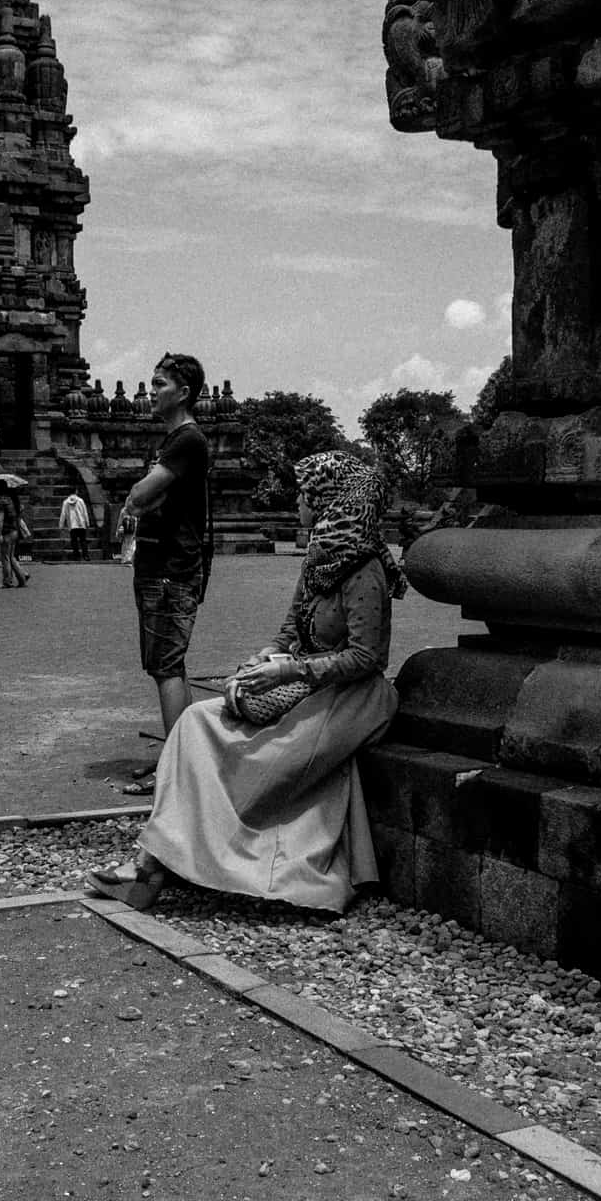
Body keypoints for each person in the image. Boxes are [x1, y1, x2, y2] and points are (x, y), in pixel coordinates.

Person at [89, 450, 407, 913]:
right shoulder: (320, 558)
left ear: (329, 501)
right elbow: (290, 629)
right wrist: (261, 660)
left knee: (260, 760)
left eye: (306, 493)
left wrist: (290, 670)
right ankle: (158, 857)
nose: (298, 500)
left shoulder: (364, 569)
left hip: (350, 697)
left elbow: (366, 656)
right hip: (305, 684)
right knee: (194, 723)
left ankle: (150, 868)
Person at [117, 352, 213, 793]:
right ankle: (179, 760)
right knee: (164, 666)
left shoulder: (186, 441)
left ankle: (175, 771)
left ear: (184, 392)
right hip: (160, 565)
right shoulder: (174, 442)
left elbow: (140, 495)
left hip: (172, 568)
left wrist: (138, 499)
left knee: (168, 666)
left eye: (159, 385)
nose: (151, 392)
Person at [0, 491, 31, 588]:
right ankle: (22, 579)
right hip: (14, 530)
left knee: (5, 557)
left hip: (6, 532)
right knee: (11, 557)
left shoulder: (1, 501)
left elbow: (1, 519)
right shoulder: (13, 499)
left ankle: (7, 581)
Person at [59, 488, 90, 561]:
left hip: (72, 525)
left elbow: (63, 514)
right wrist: (87, 522)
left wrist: (61, 525)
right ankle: (86, 556)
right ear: (76, 491)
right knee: (83, 540)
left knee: (74, 541)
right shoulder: (80, 501)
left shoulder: (66, 502)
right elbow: (85, 512)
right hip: (81, 524)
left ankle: (76, 556)